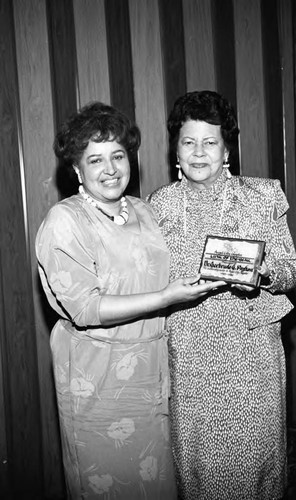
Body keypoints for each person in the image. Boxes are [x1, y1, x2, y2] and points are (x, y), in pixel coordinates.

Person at [35, 101, 223, 500]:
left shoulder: (142, 209)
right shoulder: (65, 221)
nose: (110, 169)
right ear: (76, 170)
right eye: (95, 159)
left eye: (118, 156)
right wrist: (166, 297)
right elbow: (86, 309)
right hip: (97, 378)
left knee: (155, 482)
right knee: (106, 481)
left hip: (151, 371)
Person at [147, 90, 296, 500]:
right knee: (199, 474)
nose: (199, 153)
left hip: (251, 358)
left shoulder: (263, 196)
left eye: (210, 142)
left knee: (252, 473)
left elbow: (293, 270)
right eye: (188, 142)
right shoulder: (157, 205)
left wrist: (264, 271)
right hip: (189, 357)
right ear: (175, 150)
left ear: (226, 148)